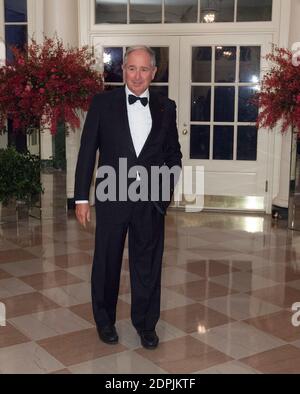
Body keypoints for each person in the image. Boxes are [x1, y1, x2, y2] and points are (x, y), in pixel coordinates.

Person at [74, 46, 182, 349]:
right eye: (131, 69)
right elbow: (87, 152)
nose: (137, 76)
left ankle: (146, 324)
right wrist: (80, 197)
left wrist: (165, 192)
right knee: (107, 262)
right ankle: (105, 321)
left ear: (154, 72)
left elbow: (173, 153)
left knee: (147, 264)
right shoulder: (102, 103)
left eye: (144, 69)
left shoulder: (167, 106)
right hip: (111, 196)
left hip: (151, 201)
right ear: (123, 71)